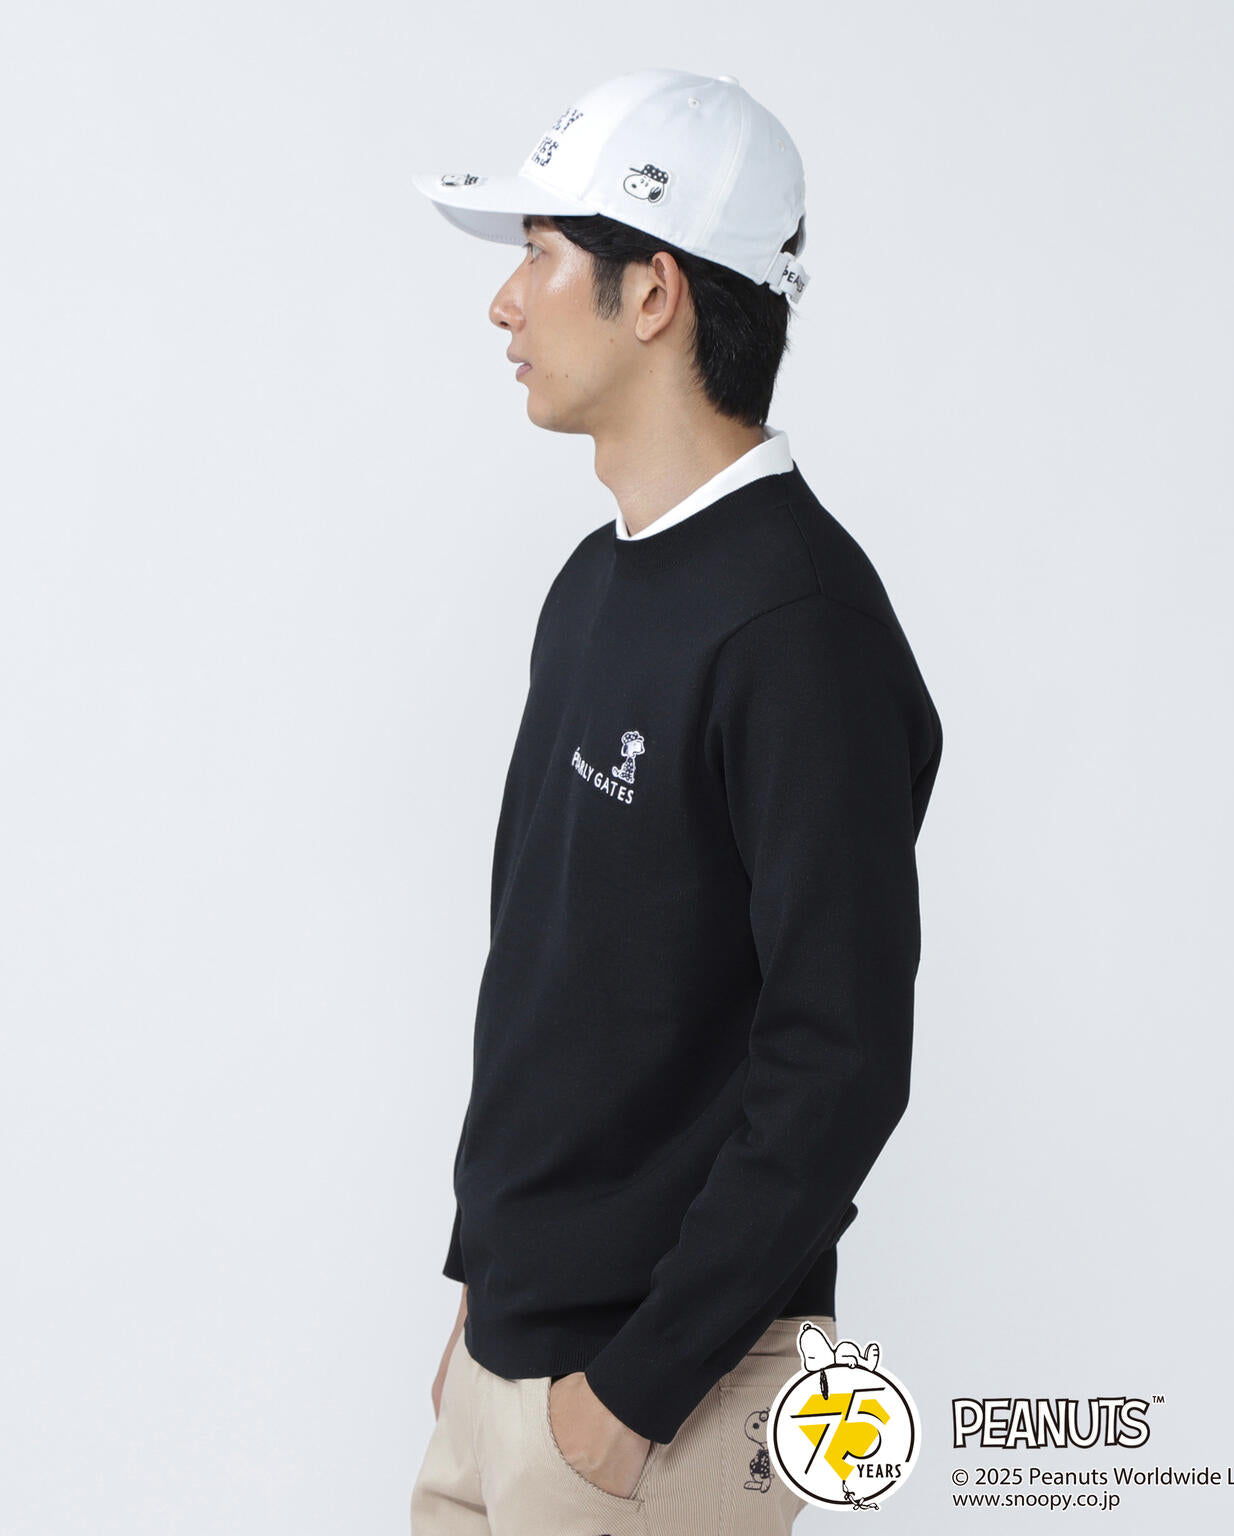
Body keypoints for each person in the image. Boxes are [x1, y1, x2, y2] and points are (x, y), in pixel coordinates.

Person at [406, 67, 943, 1535]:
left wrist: (632, 1395)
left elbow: (840, 1060)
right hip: (509, 1365)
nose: (504, 305)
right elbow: (551, 970)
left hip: (663, 1406)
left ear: (654, 293)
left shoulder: (800, 628)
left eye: (539, 257)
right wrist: (485, 1281)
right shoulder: (595, 585)